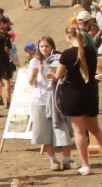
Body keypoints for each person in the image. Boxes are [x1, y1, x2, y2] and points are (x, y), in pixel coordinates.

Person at [59, 20, 102, 175]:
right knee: (95, 129)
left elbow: (58, 75)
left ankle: (85, 165)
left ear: (69, 36)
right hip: (90, 93)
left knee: (79, 132)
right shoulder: (91, 51)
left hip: (73, 95)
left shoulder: (66, 54)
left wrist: (51, 75)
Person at [28, 36, 75, 170]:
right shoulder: (34, 62)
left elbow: (65, 77)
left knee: (62, 129)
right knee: (44, 132)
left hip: (56, 98)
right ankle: (53, 160)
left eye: (47, 46)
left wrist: (54, 75)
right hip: (40, 100)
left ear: (52, 47)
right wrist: (35, 74)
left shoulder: (58, 60)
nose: (44, 49)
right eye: (41, 46)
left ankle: (67, 159)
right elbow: (31, 83)